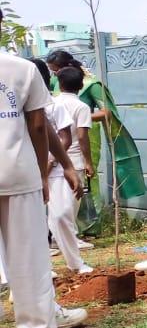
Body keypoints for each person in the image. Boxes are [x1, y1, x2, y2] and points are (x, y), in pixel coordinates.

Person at [0, 37, 88, 328]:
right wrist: (41, 174)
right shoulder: (23, 69)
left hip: (20, 173)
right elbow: (38, 125)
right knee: (29, 254)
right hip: (18, 172)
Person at [45, 50, 147, 238]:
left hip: (86, 136)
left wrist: (79, 117)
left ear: (68, 66)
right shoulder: (56, 85)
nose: (54, 74)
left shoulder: (91, 85)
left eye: (57, 70)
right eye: (52, 71)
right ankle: (68, 230)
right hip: (61, 139)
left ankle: (91, 227)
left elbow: (106, 112)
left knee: (87, 181)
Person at [36, 60, 92, 275]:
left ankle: (75, 263)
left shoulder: (55, 105)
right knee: (30, 221)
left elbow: (65, 137)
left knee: (61, 215)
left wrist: (53, 163)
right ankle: (40, 268)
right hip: (27, 170)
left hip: (55, 168)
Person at [53, 66, 96, 252]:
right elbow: (82, 135)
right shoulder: (81, 107)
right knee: (72, 200)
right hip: (74, 157)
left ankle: (56, 238)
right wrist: (89, 162)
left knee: (56, 200)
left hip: (53, 156)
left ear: (59, 84)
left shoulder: (52, 103)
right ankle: (69, 238)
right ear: (80, 86)